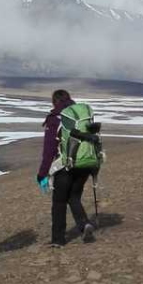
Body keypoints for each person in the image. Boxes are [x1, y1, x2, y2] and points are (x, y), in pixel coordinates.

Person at [37, 89, 97, 247]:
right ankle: (84, 225)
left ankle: (58, 240)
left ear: (54, 101)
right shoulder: (81, 116)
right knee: (74, 197)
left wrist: (42, 173)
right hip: (85, 163)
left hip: (64, 166)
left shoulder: (56, 119)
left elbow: (49, 150)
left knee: (59, 202)